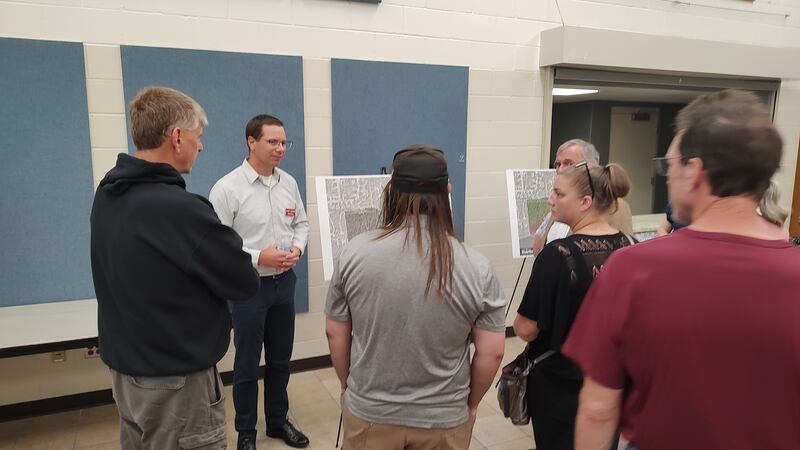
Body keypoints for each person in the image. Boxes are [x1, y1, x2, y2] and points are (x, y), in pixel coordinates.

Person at [563, 90, 800, 450]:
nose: (667, 176)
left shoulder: (633, 269)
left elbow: (598, 410)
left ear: (696, 172)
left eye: (670, 165)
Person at [90, 86, 260, 450]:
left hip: (126, 372)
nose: (201, 146)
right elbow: (244, 280)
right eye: (198, 136)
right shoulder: (182, 210)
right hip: (175, 382)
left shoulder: (107, 194)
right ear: (177, 137)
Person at [325, 145, 507, 450]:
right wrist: (471, 403)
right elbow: (493, 352)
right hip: (444, 420)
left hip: (370, 412)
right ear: (447, 191)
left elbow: (335, 331)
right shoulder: (477, 266)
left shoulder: (354, 252)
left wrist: (349, 386)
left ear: (391, 192)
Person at [513, 161, 634, 450]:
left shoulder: (557, 255)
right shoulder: (630, 245)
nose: (550, 200)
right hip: (610, 380)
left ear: (585, 202)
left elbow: (526, 328)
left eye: (558, 193)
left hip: (560, 384)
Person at [209, 114, 310, 450]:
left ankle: (278, 422)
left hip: (284, 284)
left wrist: (297, 248)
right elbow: (218, 244)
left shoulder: (289, 183)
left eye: (284, 142)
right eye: (272, 142)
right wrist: (258, 257)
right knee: (247, 364)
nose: (280, 148)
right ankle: (246, 433)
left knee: (280, 360)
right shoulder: (227, 188)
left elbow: (302, 224)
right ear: (251, 142)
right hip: (248, 288)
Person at [532, 139, 633, 256]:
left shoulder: (612, 204)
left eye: (569, 163)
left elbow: (623, 253)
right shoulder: (558, 201)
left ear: (591, 165)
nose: (560, 170)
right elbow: (539, 245)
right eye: (558, 164)